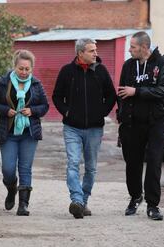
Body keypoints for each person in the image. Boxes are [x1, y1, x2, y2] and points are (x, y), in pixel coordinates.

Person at [52, 38, 116, 219]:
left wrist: (101, 113)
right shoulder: (67, 72)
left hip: (95, 129)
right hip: (72, 127)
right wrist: (66, 113)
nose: (96, 53)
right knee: (73, 163)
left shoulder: (101, 71)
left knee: (91, 168)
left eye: (96, 50)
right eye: (91, 51)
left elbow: (111, 96)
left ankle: (83, 201)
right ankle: (77, 200)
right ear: (80, 53)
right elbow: (57, 96)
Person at [117, 31, 164, 221]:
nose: (129, 50)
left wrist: (137, 92)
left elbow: (162, 90)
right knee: (132, 162)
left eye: (133, 47)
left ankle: (153, 205)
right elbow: (122, 93)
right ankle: (135, 197)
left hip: (156, 121)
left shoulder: (161, 64)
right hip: (132, 122)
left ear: (144, 47)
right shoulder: (128, 66)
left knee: (154, 161)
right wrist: (120, 116)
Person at [0, 49, 49, 216]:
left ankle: (23, 205)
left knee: (25, 167)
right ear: (14, 66)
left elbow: (45, 106)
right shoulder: (3, 82)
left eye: (27, 69)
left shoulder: (36, 84)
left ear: (32, 69)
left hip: (29, 132)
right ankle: (11, 188)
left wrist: (33, 111)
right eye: (21, 68)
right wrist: (6, 110)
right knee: (8, 169)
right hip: (8, 133)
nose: (23, 72)